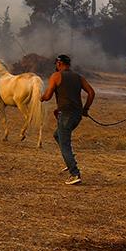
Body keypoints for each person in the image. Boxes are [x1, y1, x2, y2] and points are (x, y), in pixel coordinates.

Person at [41, 54, 95, 185]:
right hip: (76, 115)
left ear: (59, 64)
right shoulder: (78, 77)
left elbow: (47, 96)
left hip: (66, 115)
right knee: (57, 136)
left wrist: (41, 97)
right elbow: (91, 93)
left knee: (64, 144)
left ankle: (74, 173)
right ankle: (69, 160)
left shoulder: (56, 76)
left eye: (56, 64)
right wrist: (85, 109)